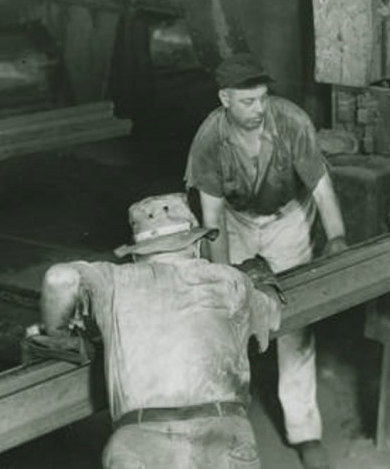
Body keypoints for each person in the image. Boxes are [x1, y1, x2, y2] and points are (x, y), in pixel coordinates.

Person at [185, 52, 347, 469]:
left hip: (288, 217)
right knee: (228, 317)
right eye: (248, 102)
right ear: (225, 98)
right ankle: (226, 429)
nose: (259, 109)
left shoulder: (290, 121)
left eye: (262, 98)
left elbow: (322, 187)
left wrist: (338, 238)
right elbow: (212, 217)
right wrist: (224, 275)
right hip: (235, 222)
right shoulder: (208, 140)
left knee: (295, 320)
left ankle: (305, 432)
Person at [39, 193, 282, 468]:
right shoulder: (229, 280)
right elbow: (272, 317)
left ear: (138, 253)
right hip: (221, 434)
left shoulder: (113, 280)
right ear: (197, 242)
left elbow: (60, 278)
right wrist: (263, 281)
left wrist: (58, 336)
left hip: (141, 440)